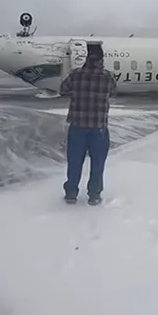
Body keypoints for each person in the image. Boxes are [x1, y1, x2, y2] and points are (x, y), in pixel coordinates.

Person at [59, 42, 117, 205]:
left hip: (77, 126)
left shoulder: (76, 75)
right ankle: (94, 195)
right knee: (98, 163)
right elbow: (113, 92)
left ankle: (71, 193)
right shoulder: (108, 77)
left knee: (75, 161)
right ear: (102, 58)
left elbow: (62, 90)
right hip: (98, 127)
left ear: (86, 57)